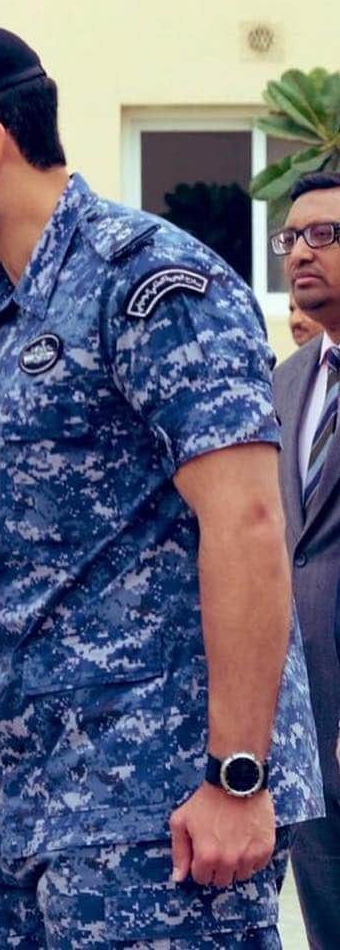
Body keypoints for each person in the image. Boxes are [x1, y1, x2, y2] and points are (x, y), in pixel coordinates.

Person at [0, 26, 323, 946]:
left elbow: (246, 524)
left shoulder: (153, 284)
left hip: (163, 817)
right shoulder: (3, 323)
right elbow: (23, 550)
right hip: (27, 810)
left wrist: (238, 777)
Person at [270, 171, 340, 949]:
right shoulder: (287, 380)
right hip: (306, 719)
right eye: (292, 237)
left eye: (324, 234)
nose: (300, 253)